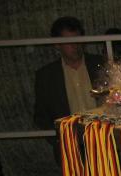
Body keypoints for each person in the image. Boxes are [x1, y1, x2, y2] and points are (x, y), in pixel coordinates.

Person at [33, 16, 104, 160]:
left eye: (77, 40)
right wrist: (58, 141)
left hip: (104, 140)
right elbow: (41, 115)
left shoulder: (101, 65)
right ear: (57, 44)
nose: (75, 46)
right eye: (69, 42)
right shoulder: (46, 76)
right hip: (70, 145)